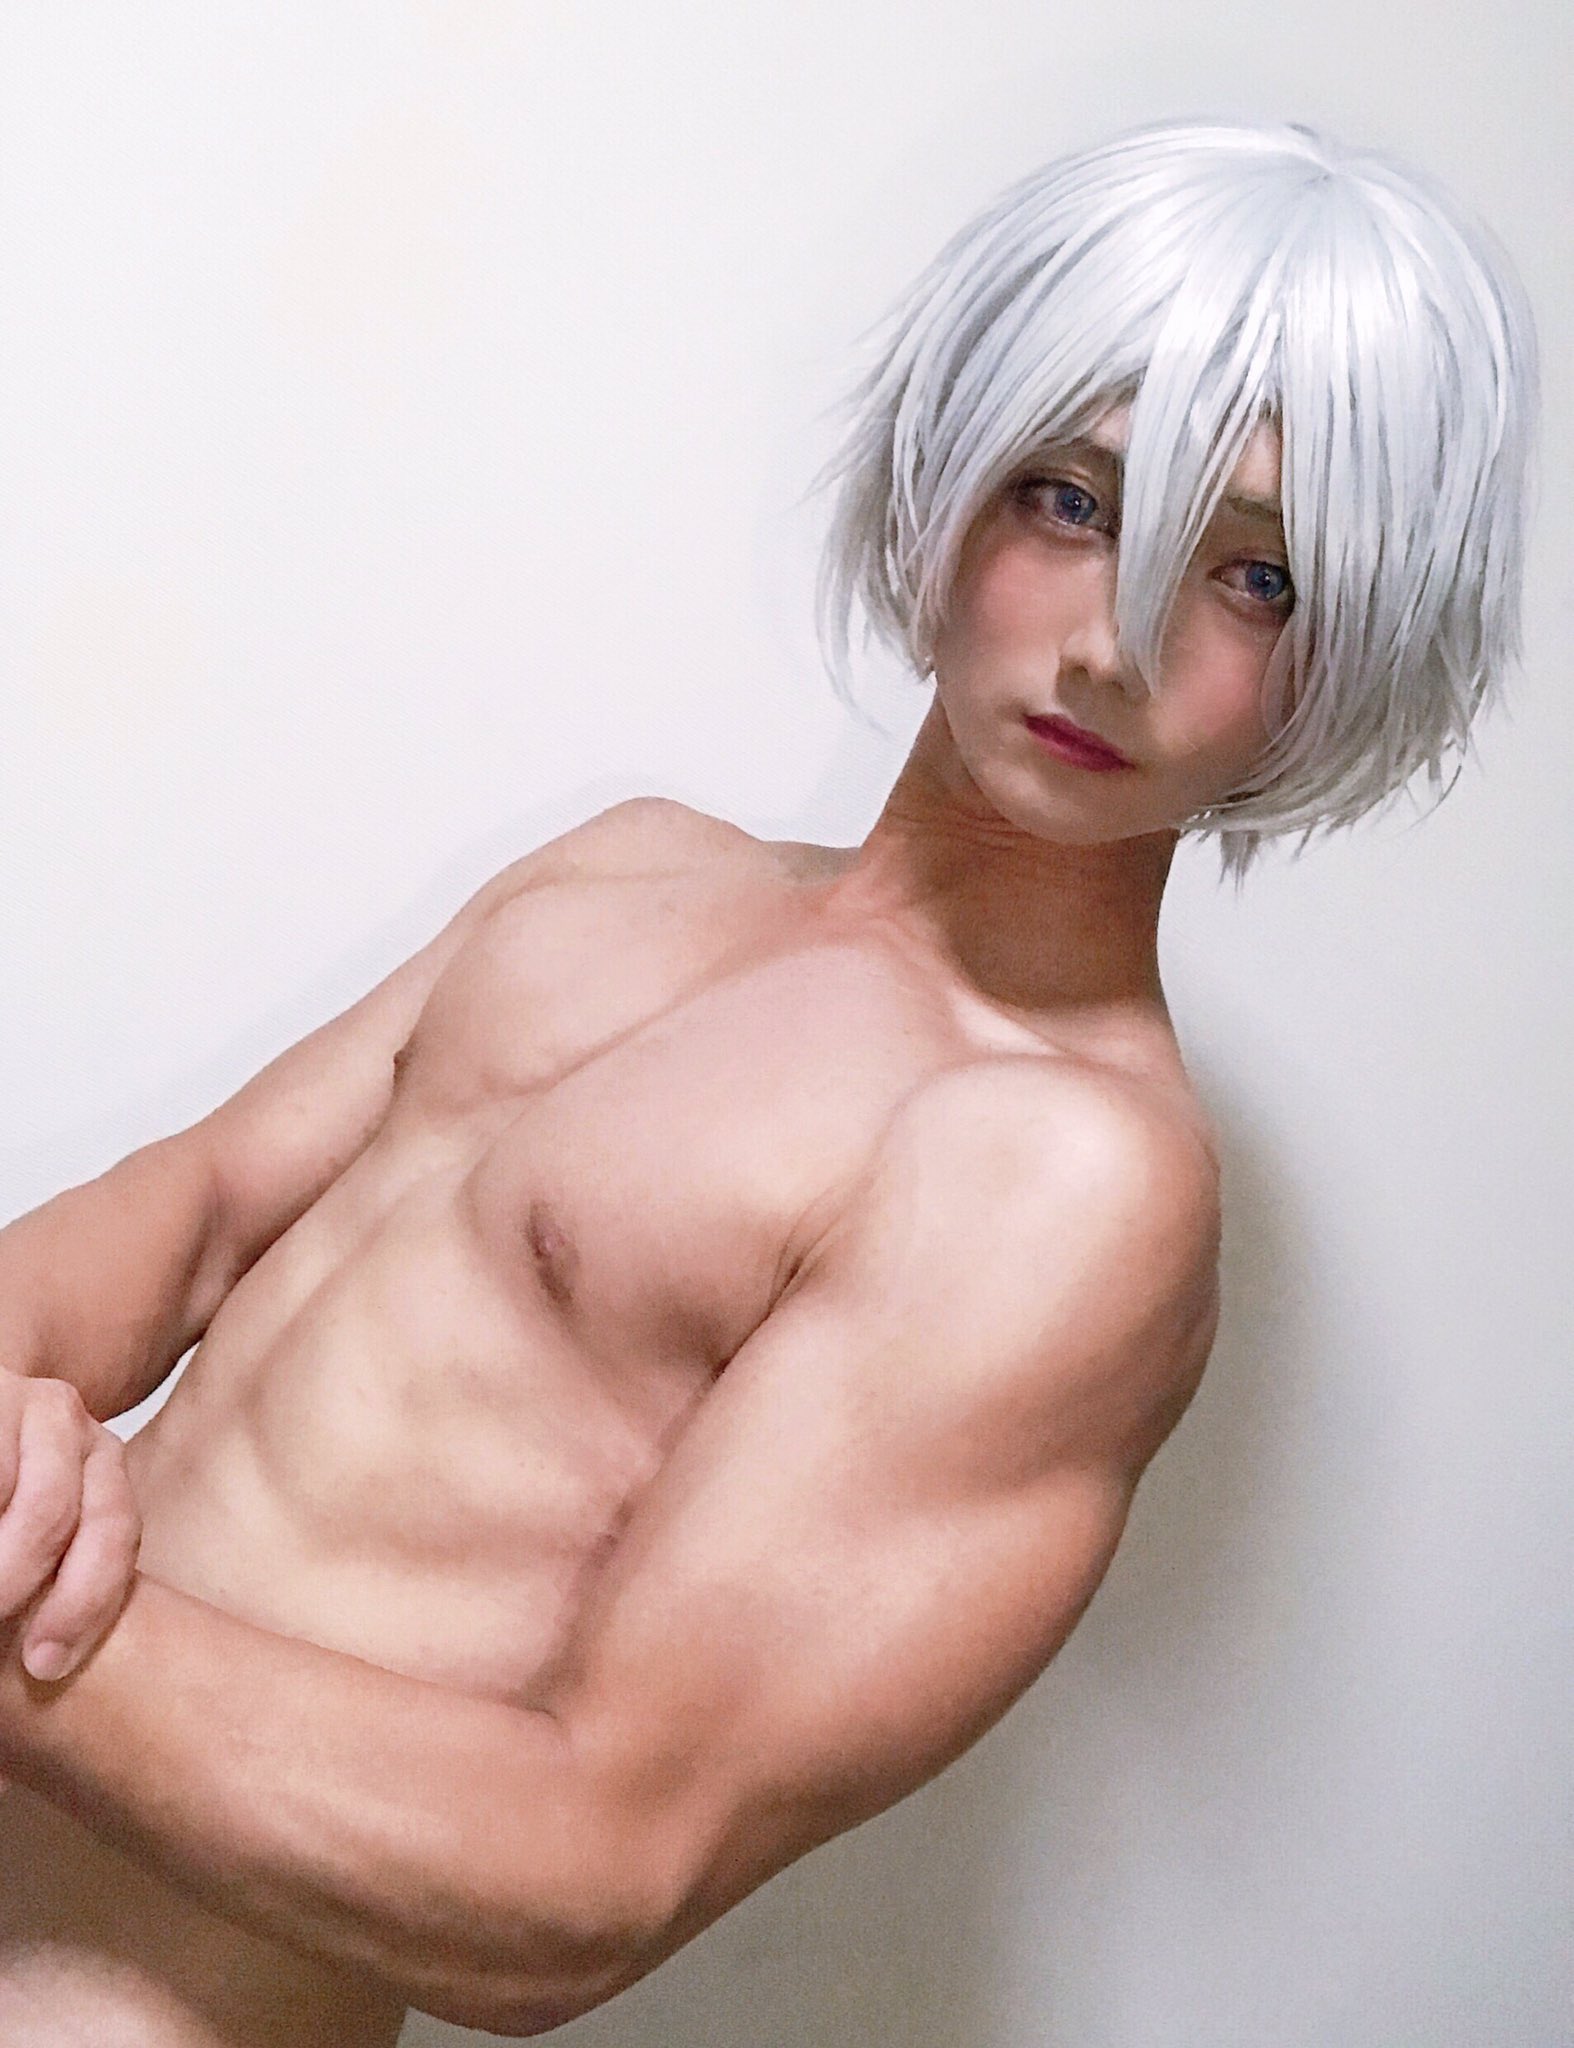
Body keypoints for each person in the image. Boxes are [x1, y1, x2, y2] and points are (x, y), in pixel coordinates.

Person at [0, 114, 1537, 2044]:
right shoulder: (629, 873)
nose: (1115, 643)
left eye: (1254, 580)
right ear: (951, 473)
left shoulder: (1052, 1178)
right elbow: (197, 1211)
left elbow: (591, 1864)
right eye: (1072, 501)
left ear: (1356, 647)